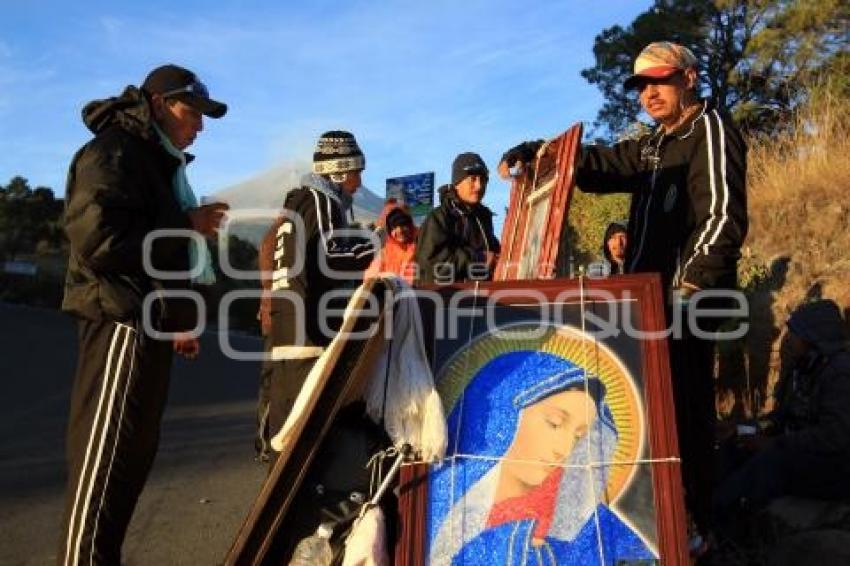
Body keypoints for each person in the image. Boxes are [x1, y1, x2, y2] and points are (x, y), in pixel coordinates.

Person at [499, 41, 748, 544]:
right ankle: (665, 522)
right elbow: (601, 165)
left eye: (660, 81)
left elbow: (723, 218)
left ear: (689, 79)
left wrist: (688, 286)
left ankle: (698, 525)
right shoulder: (654, 144)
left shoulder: (711, 131)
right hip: (646, 303)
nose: (649, 94)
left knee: (684, 412)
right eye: (641, 86)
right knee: (651, 413)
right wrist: (539, 154)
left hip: (687, 302)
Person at [58, 64, 228, 564]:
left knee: (128, 466)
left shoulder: (157, 163)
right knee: (104, 465)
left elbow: (151, 249)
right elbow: (100, 241)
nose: (199, 125)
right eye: (190, 110)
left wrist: (178, 319)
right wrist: (187, 224)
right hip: (120, 323)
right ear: (157, 104)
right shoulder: (115, 151)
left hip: (148, 325)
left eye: (203, 115)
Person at [429, 349, 656, 564]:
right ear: (504, 413)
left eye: (579, 437)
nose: (565, 449)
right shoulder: (436, 502)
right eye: (554, 423)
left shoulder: (589, 525)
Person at [267, 131, 376, 453]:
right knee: (308, 438)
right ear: (340, 170)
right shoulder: (321, 200)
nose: (358, 184)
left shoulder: (297, 203)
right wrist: (376, 241)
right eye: (357, 173)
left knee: (286, 433)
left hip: (289, 330)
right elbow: (333, 258)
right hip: (311, 333)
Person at [713, 299, 850, 519]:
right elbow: (780, 418)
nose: (790, 339)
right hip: (796, 449)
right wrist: (742, 428)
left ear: (812, 339)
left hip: (832, 467)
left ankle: (720, 517)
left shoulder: (840, 373)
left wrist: (776, 443)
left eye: (795, 333)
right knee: (734, 448)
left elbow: (834, 436)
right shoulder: (801, 367)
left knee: (771, 462)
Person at [415, 153, 500, 284]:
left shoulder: (483, 219)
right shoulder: (439, 218)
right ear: (457, 183)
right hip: (445, 300)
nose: (479, 186)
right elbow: (431, 265)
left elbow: (494, 255)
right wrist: (478, 259)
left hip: (481, 300)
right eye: (473, 179)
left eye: (483, 180)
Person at [364, 203, 418, 283]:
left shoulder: (421, 248)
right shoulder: (385, 252)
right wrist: (386, 277)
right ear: (389, 231)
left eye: (403, 225)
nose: (399, 230)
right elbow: (369, 276)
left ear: (410, 226)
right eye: (394, 227)